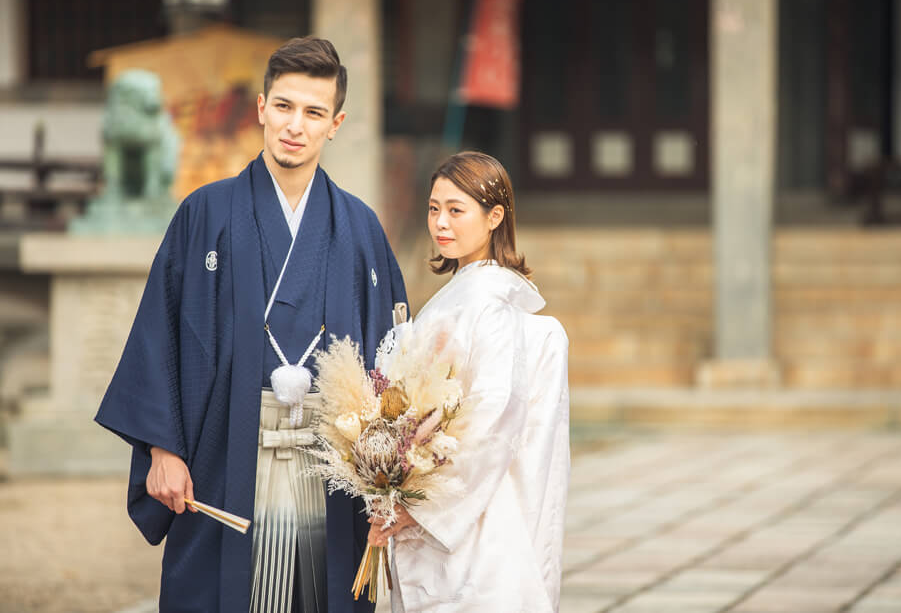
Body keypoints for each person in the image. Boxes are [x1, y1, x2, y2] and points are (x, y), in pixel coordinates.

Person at [95, 36, 406, 613]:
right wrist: (162, 448)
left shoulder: (361, 229)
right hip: (224, 457)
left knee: (326, 593)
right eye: (284, 106)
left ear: (335, 124)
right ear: (261, 107)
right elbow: (160, 332)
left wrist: (391, 477)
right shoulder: (204, 213)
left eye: (314, 113)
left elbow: (392, 361)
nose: (296, 125)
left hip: (327, 466)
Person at [368, 151, 570, 612]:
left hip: (472, 512)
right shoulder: (460, 295)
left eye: (456, 210)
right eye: (434, 208)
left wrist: (417, 504)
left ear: (494, 216)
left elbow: (492, 417)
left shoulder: (492, 305)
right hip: (441, 499)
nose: (441, 222)